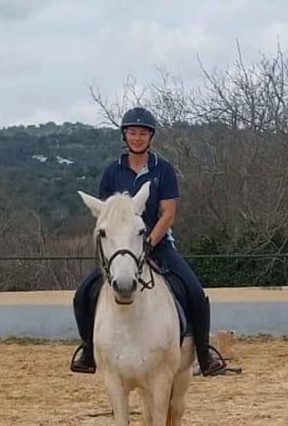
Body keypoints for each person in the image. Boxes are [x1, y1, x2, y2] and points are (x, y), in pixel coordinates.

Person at [70, 106, 227, 376]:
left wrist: (148, 244)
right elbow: (106, 216)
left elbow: (168, 213)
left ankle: (204, 353)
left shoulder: (163, 170)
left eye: (143, 133)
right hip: (121, 251)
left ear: (150, 137)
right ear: (125, 135)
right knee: (83, 294)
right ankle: (88, 351)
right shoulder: (112, 172)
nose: (137, 138)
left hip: (158, 245)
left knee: (195, 293)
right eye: (133, 132)